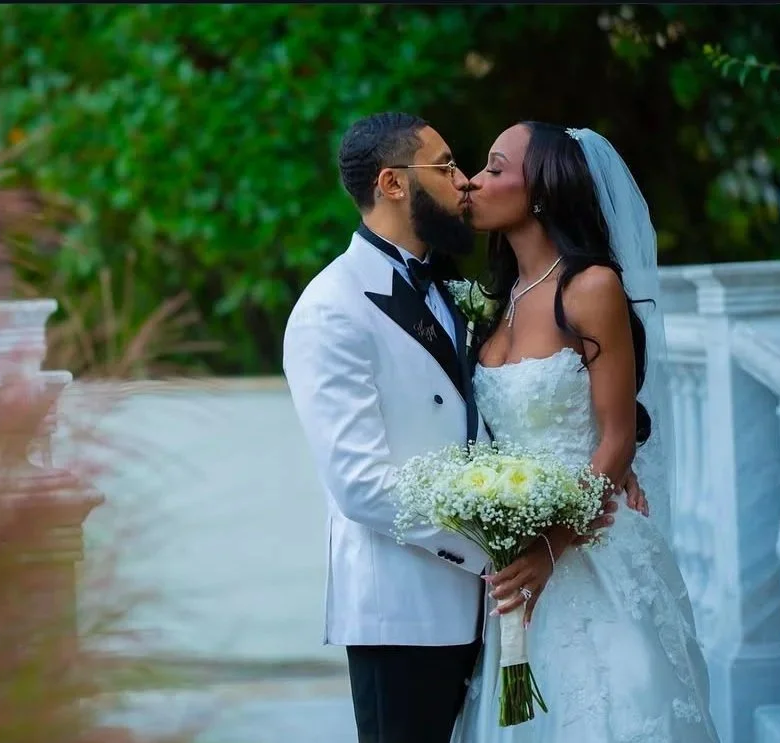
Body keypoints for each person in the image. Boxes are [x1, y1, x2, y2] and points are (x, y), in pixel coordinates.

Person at [281, 112, 635, 743]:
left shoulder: (461, 291)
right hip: (407, 609)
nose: (463, 181)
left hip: (490, 607)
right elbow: (360, 486)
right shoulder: (331, 309)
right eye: (445, 167)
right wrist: (497, 551)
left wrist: (606, 470)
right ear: (393, 183)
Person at [450, 121, 719, 742]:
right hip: (515, 558)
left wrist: (552, 544)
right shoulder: (498, 299)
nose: (474, 182)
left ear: (540, 189)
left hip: (589, 543)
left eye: (494, 168)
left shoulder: (591, 286)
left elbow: (617, 438)